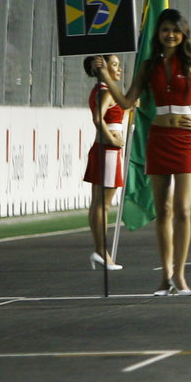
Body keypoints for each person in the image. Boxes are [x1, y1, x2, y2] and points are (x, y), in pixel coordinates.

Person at [101, 9, 191, 295]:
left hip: (184, 140)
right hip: (158, 138)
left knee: (183, 210)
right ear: (158, 34)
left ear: (184, 33)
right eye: (165, 30)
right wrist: (104, 76)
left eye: (175, 30)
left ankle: (180, 276)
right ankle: (165, 277)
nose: (170, 35)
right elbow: (126, 101)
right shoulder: (149, 66)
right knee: (163, 210)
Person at [83, 54, 126, 270]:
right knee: (103, 205)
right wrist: (113, 140)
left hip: (102, 150)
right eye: (115, 65)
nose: (119, 69)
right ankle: (101, 251)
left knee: (98, 204)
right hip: (108, 151)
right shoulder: (106, 92)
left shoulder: (100, 90)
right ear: (104, 68)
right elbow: (98, 118)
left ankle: (100, 250)